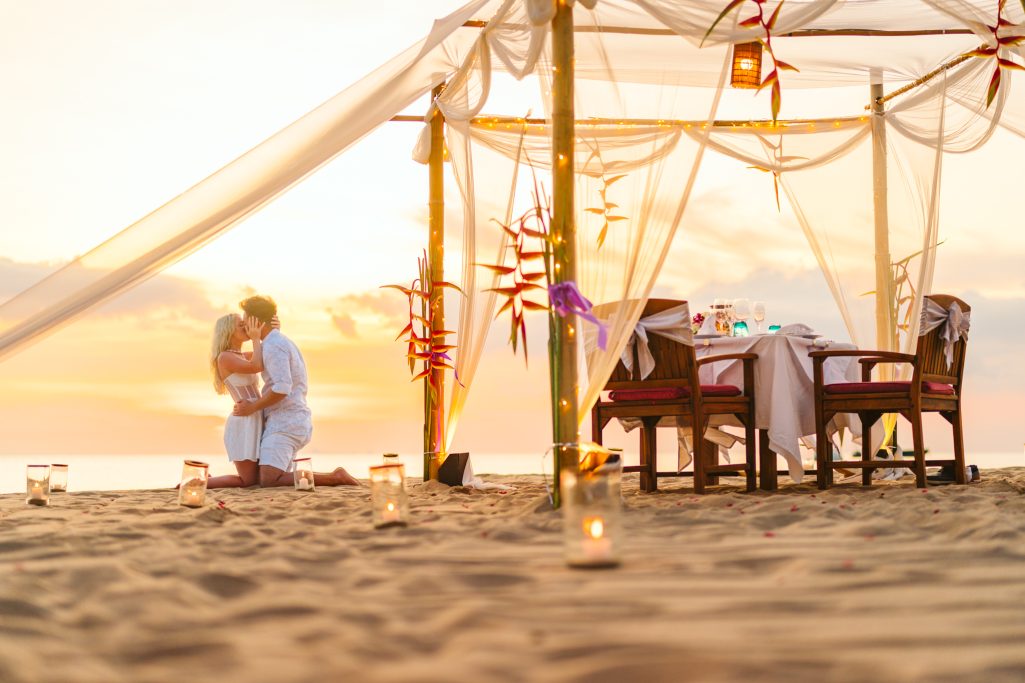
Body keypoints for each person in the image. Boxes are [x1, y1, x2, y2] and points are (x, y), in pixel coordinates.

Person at [231, 295, 359, 487]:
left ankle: (335, 477)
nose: (244, 325)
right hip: (286, 421)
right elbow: (245, 359)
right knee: (275, 477)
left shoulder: (274, 346)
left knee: (268, 479)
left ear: (255, 321)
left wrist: (252, 407)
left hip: (285, 423)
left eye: (245, 320)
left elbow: (282, 388)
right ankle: (332, 477)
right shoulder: (274, 342)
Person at [206, 312, 266, 488]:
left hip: (257, 416)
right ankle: (200, 481)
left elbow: (264, 354)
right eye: (241, 325)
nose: (246, 326)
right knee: (247, 481)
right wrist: (256, 338)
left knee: (260, 478)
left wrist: (273, 328)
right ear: (228, 331)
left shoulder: (241, 355)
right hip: (244, 422)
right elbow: (257, 365)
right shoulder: (225, 357)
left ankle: (205, 478)